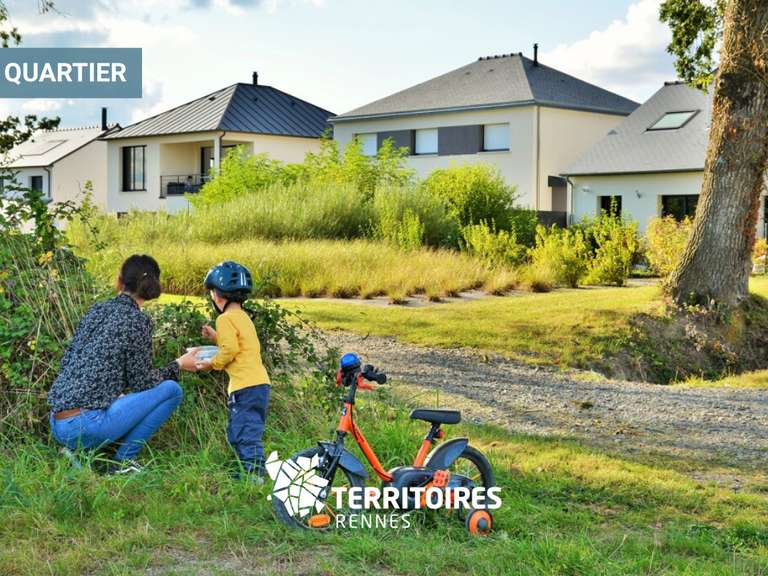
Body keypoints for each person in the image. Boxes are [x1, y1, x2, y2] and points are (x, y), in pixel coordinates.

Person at [47, 254, 200, 475]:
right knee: (172, 390)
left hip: (56, 422)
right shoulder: (137, 320)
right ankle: (122, 462)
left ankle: (79, 453)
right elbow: (142, 382)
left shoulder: (97, 310)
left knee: (119, 400)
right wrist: (179, 364)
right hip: (85, 425)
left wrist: (112, 392)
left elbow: (70, 359)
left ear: (120, 281)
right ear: (152, 285)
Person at [196, 261, 271, 480]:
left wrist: (211, 364)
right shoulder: (243, 317)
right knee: (248, 429)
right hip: (259, 384)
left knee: (244, 432)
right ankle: (248, 471)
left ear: (217, 296)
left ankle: (254, 476)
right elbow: (240, 343)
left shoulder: (224, 318)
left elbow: (230, 350)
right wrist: (216, 337)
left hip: (244, 386)